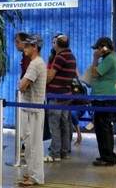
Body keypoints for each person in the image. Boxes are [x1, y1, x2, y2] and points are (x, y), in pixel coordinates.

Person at [18, 35, 46, 186]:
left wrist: (20, 84)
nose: (25, 48)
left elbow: (22, 86)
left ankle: (36, 177)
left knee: (34, 144)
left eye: (28, 46)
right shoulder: (36, 63)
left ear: (35, 47)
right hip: (31, 109)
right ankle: (31, 173)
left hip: (33, 110)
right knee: (29, 144)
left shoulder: (35, 64)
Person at [45, 34, 77, 162]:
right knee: (65, 124)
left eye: (54, 43)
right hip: (67, 95)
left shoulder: (59, 57)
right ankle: (65, 152)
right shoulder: (72, 57)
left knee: (55, 125)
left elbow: (50, 76)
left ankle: (55, 153)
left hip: (56, 95)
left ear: (57, 44)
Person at [91, 37, 116, 166]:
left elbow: (95, 73)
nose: (97, 51)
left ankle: (108, 157)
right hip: (101, 97)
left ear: (104, 47)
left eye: (98, 48)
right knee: (101, 127)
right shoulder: (109, 58)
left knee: (104, 128)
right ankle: (105, 155)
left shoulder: (110, 59)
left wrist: (95, 59)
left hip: (105, 98)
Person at [15, 32, 31, 155]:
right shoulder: (24, 56)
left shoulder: (28, 57)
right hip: (25, 92)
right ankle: (25, 146)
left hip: (28, 95)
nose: (16, 44)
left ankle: (27, 147)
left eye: (17, 42)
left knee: (27, 123)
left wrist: (23, 87)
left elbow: (28, 75)